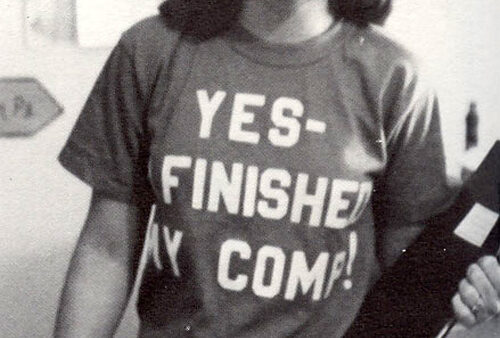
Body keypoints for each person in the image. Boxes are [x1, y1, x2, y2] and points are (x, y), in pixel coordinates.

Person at [54, 0, 500, 336]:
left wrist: (465, 294)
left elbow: (410, 275)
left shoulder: (395, 78)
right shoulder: (150, 52)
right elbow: (106, 250)